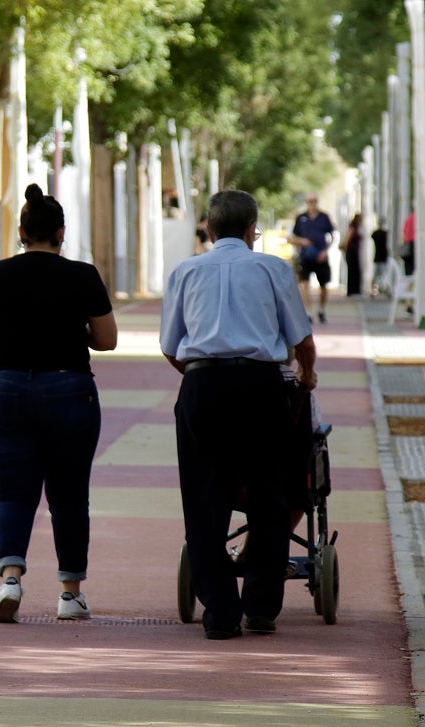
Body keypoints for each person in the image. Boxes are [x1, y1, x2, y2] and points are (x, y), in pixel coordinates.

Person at [160, 189, 318, 640]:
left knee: (204, 497)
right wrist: (306, 375)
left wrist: (200, 375)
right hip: (260, 387)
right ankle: (262, 607)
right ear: (253, 231)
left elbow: (171, 347)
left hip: (202, 387)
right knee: (268, 493)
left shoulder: (185, 271)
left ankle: (220, 614)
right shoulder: (272, 269)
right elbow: (300, 337)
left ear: (209, 230)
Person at [0, 183, 118, 623]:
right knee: (69, 495)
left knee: (13, 493)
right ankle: (70, 595)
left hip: (6, 391)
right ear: (61, 233)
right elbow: (106, 340)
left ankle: (10, 579)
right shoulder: (83, 275)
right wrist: (73, 335)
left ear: (21, 232)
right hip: (70, 390)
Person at [288, 194, 335, 322]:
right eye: (309, 201)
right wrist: (302, 242)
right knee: (304, 284)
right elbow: (293, 238)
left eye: (314, 201)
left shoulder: (324, 217)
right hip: (305, 256)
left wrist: (325, 251)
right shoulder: (301, 218)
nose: (312, 204)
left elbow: (331, 236)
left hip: (320, 256)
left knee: (324, 285)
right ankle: (308, 312)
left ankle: (321, 309)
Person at [342, 213, 364, 297]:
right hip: (351, 251)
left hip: (355, 251)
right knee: (352, 270)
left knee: (355, 271)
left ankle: (355, 289)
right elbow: (348, 237)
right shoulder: (353, 227)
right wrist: (345, 246)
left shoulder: (357, 227)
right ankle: (352, 290)